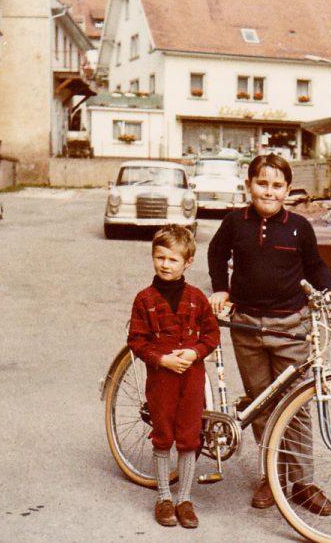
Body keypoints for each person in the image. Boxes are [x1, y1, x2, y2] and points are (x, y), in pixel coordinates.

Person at [207, 154, 331, 515]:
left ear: (287, 190)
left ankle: (302, 482)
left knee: (296, 406)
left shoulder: (298, 226)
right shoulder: (235, 222)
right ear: (249, 185)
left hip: (289, 328)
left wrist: (329, 291)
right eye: (262, 183)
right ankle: (271, 476)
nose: (269, 191)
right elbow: (216, 251)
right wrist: (221, 288)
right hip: (247, 327)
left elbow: (315, 265)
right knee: (262, 404)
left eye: (277, 185)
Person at [127, 225, 220, 529]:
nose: (165, 264)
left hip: (191, 377)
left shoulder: (197, 298)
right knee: (163, 433)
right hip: (161, 378)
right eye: (159, 257)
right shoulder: (145, 299)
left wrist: (194, 353)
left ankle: (185, 498)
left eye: (173, 260)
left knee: (190, 436)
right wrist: (162, 359)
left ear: (188, 262)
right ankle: (164, 496)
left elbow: (211, 334)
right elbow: (137, 340)